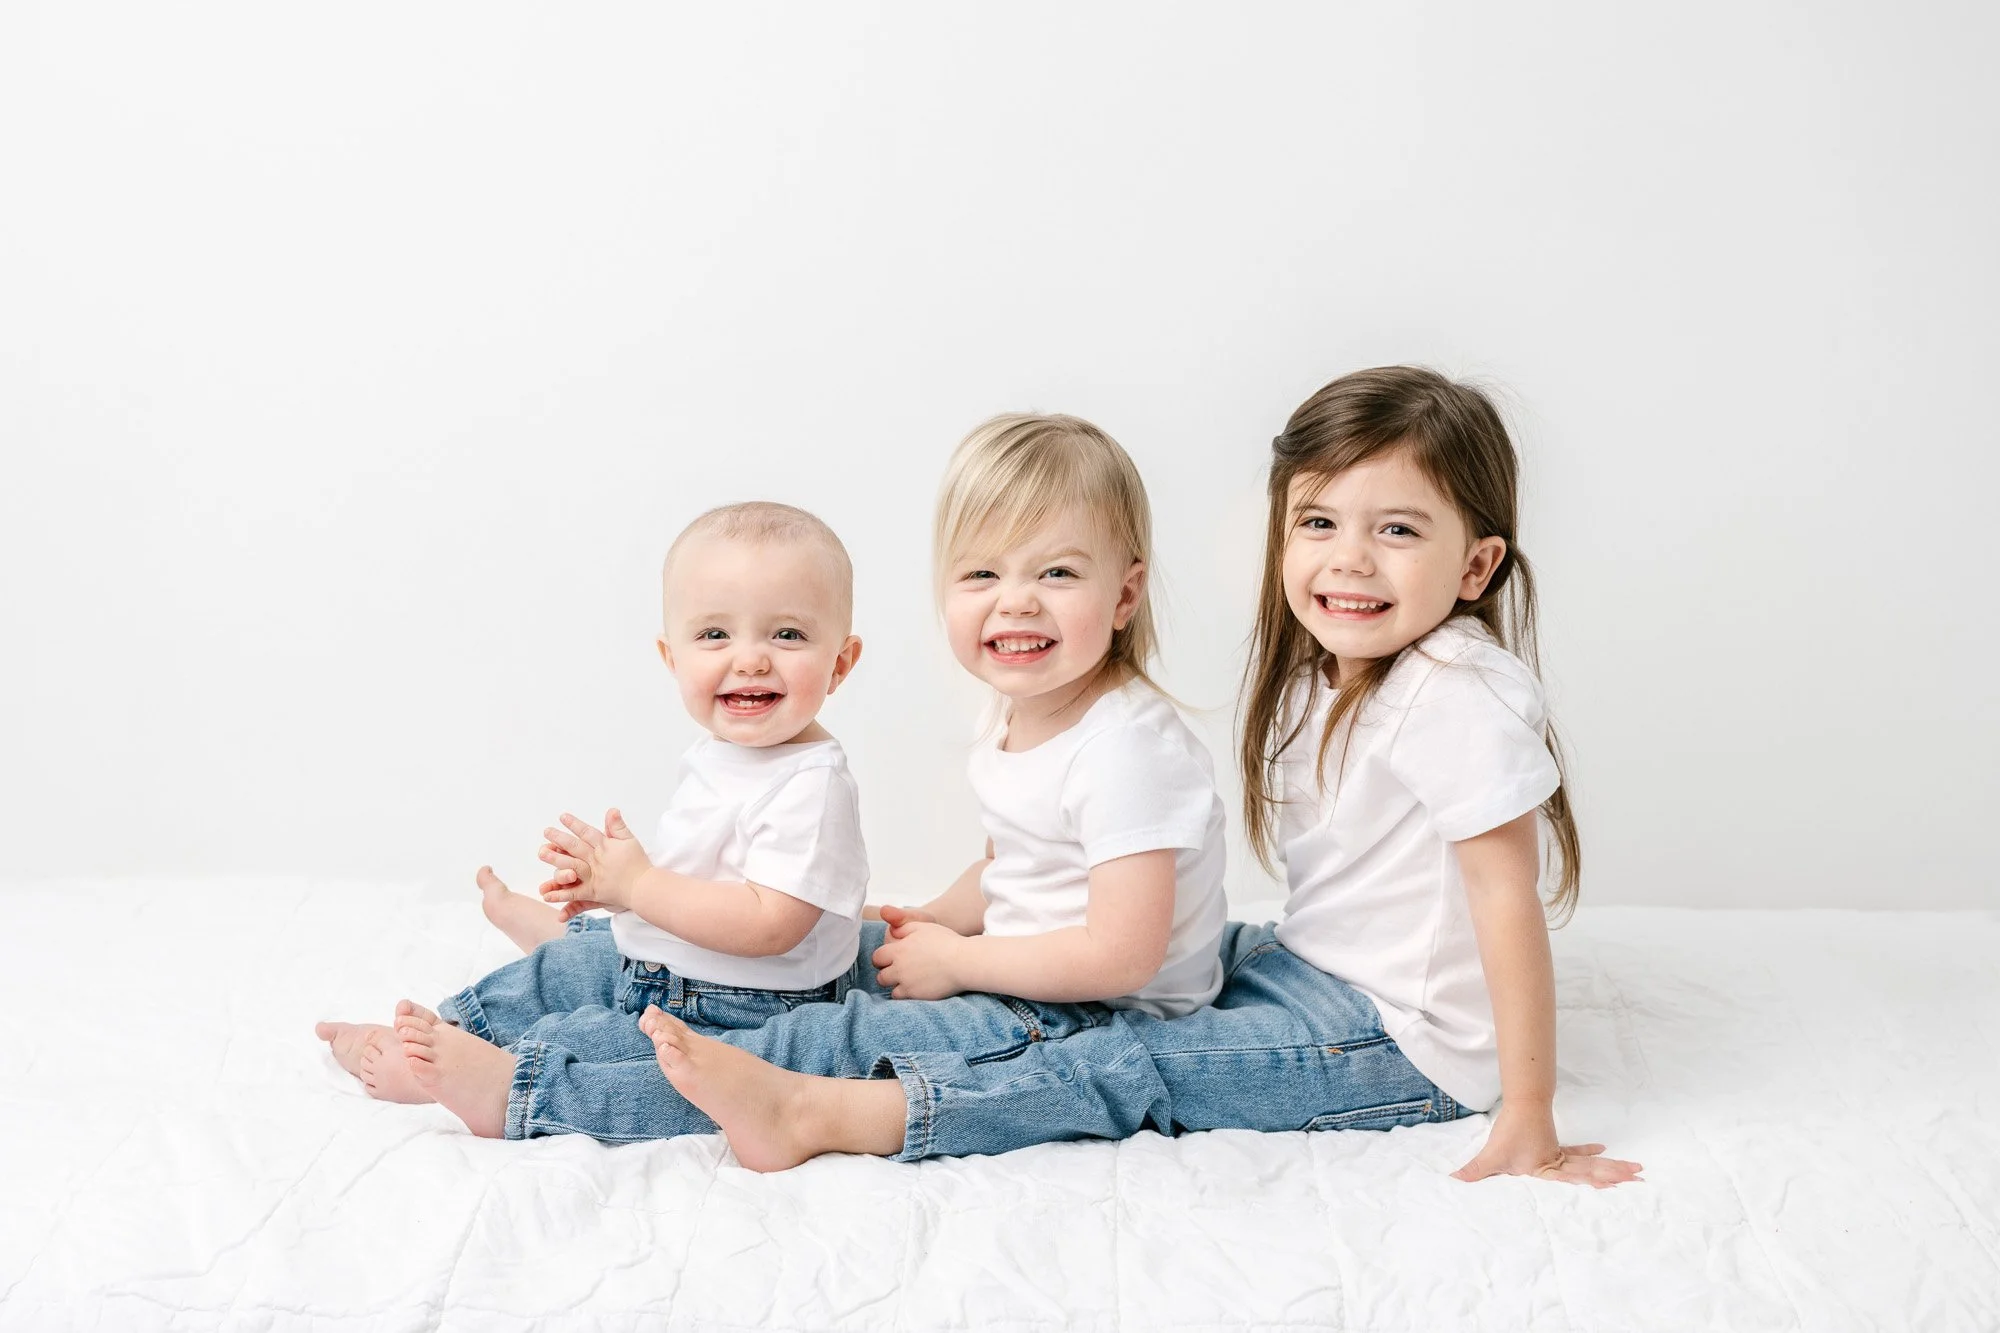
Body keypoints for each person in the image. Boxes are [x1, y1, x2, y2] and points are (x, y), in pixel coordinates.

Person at [636, 367, 1644, 1187]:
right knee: (1185, 955)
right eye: (1318, 522)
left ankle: (831, 1111)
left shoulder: (1455, 692)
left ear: (1473, 567)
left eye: (1397, 529)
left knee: (1130, 1061)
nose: (1348, 561)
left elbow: (1503, 898)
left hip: (1405, 1045)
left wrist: (1528, 1114)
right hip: (1316, 971)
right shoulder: (1339, 677)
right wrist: (948, 919)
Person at [383, 412, 1232, 1140]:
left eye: (1056, 572)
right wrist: (936, 918)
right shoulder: (1023, 712)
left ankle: (537, 1090)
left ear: (1123, 597)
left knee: (825, 1042)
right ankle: (588, 962)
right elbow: (1023, 867)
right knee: (856, 952)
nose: (1014, 601)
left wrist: (965, 964)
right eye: (982, 572)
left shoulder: (1125, 751)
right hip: (1036, 968)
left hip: (1100, 1014)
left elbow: (1122, 954)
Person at [313, 500, 869, 1126]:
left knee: (613, 1050)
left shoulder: (811, 784)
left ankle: (499, 1083)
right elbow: (713, 876)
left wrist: (640, 885)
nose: (750, 659)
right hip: (673, 965)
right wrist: (620, 894)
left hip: (746, 1005)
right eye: (715, 634)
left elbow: (771, 925)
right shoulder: (724, 750)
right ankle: (448, 1027)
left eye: (787, 634)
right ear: (673, 657)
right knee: (559, 972)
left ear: (840, 663)